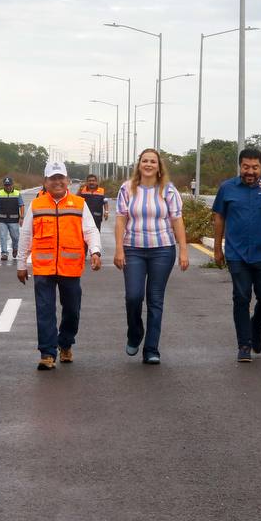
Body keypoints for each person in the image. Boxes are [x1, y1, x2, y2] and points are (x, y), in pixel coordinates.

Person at [16, 160, 102, 370]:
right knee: (44, 309)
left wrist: (95, 251)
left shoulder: (79, 204)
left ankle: (65, 344)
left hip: (70, 267)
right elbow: (26, 235)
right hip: (43, 269)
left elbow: (90, 230)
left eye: (60, 178)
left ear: (67, 180)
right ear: (45, 182)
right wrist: (21, 263)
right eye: (52, 179)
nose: (57, 182)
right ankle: (47, 352)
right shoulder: (37, 205)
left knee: (72, 310)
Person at [212, 148, 261, 362]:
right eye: (246, 167)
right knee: (241, 297)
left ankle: (256, 325)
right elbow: (219, 217)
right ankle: (244, 345)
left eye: (255, 167)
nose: (250, 171)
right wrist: (218, 248)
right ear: (240, 166)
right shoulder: (227, 188)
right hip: (237, 254)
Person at [113, 148, 189, 364]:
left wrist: (183, 250)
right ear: (139, 165)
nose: (148, 164)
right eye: (144, 161)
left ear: (158, 166)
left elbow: (177, 220)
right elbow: (120, 219)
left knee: (155, 300)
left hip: (163, 250)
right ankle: (135, 333)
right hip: (133, 248)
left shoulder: (169, 190)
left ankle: (151, 349)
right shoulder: (127, 189)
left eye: (152, 161)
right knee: (133, 296)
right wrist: (119, 248)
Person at [0, 176, 24, 262]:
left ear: (12, 185)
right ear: (4, 185)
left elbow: (21, 205)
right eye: (6, 185)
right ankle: (4, 253)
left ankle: (15, 249)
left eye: (9, 185)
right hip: (2, 220)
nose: (8, 187)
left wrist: (21, 217)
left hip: (14, 220)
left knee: (16, 237)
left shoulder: (17, 194)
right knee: (3, 236)